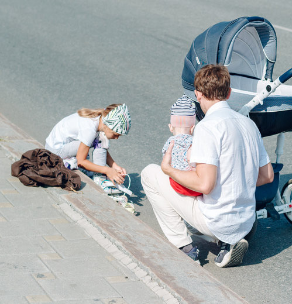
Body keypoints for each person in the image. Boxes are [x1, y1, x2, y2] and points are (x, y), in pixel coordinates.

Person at [141, 64, 274, 267]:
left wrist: (169, 170)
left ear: (198, 94)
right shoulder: (249, 124)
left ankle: (185, 246)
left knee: (150, 173)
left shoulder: (206, 127)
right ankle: (228, 241)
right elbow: (267, 176)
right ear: (228, 93)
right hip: (246, 218)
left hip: (215, 220)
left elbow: (204, 185)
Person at [45, 103, 131, 188]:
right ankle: (100, 179)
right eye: (116, 134)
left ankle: (100, 175)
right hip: (55, 152)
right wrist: (107, 170)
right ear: (107, 125)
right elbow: (81, 161)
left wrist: (114, 166)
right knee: (100, 139)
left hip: (60, 147)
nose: (116, 138)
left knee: (101, 139)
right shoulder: (90, 129)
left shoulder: (99, 120)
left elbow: (102, 147)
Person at [162, 94, 202, 197]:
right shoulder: (193, 142)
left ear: (171, 127)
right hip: (191, 188)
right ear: (192, 128)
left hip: (175, 184)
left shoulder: (169, 142)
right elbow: (192, 160)